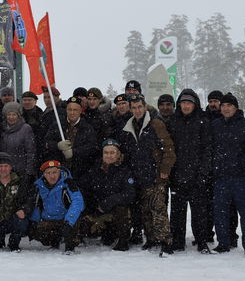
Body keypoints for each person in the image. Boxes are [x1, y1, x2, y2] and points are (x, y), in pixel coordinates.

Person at [118, 93, 176, 256]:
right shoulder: (129, 126)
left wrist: (164, 170)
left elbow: (169, 148)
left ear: (145, 107)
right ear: (130, 109)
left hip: (155, 175)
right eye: (134, 108)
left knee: (158, 210)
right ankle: (151, 238)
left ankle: (166, 241)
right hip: (138, 175)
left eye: (139, 107)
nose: (137, 110)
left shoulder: (155, 123)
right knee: (145, 211)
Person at [209, 93, 245, 255]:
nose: (226, 108)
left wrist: (241, 162)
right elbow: (210, 148)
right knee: (220, 211)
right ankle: (223, 243)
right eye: (223, 105)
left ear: (235, 108)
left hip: (239, 176)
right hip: (220, 176)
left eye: (229, 105)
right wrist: (214, 164)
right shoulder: (215, 125)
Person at [166, 89, 212, 253]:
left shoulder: (203, 121)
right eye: (183, 103)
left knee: (199, 212)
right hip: (177, 175)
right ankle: (177, 241)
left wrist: (203, 173)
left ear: (195, 105)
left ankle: (201, 241)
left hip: (197, 175)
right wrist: (171, 172)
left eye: (189, 103)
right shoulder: (173, 121)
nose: (186, 106)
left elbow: (207, 150)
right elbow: (168, 149)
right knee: (177, 212)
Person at [78, 139, 136, 251]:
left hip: (115, 213)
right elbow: (83, 185)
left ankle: (123, 240)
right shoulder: (95, 169)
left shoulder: (125, 171)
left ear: (118, 154)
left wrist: (109, 202)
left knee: (122, 209)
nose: (108, 156)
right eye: (106, 152)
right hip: (98, 211)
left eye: (112, 152)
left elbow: (130, 194)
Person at [0, 152, 32, 252]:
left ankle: (14, 243)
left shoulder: (20, 181)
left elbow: (28, 200)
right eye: (0, 166)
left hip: (12, 220)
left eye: (6, 166)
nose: (3, 169)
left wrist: (24, 210)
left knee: (22, 222)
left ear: (11, 167)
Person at [30, 160, 85, 254]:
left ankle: (70, 244)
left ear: (59, 172)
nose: (52, 176)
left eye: (54, 172)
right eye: (48, 173)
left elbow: (78, 201)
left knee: (71, 229)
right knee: (38, 234)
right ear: (44, 174)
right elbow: (37, 205)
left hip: (66, 219)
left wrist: (69, 221)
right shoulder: (39, 186)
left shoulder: (68, 183)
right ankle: (55, 240)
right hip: (49, 218)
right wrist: (34, 221)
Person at [43, 96, 98, 180]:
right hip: (58, 171)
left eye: (75, 110)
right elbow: (46, 143)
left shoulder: (87, 127)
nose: (72, 113)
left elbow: (92, 147)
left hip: (80, 172)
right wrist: (57, 145)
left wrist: (74, 152)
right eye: (70, 109)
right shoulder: (57, 125)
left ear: (80, 111)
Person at [0, 102, 37, 180]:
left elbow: (31, 151)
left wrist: (29, 171)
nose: (11, 117)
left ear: (18, 116)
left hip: (21, 171)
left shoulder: (25, 128)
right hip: (5, 171)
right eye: (9, 115)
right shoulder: (1, 129)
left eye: (14, 115)